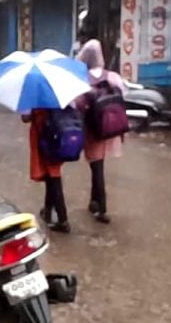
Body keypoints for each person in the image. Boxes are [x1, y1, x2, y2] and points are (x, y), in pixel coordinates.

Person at [77, 39, 124, 224]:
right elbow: (123, 97)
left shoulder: (83, 80)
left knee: (96, 168)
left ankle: (101, 208)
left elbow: (79, 105)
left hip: (93, 129)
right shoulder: (112, 76)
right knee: (98, 165)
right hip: (111, 127)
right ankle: (94, 202)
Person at [21, 110, 70, 234]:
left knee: (54, 177)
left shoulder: (38, 100)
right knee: (51, 176)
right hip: (59, 138)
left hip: (45, 141)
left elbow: (25, 118)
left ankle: (63, 220)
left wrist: (30, 115)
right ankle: (48, 210)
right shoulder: (58, 99)